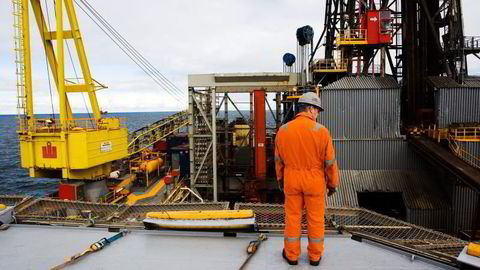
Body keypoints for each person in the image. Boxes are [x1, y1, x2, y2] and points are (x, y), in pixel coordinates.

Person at [275, 92, 339, 266]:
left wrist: (280, 179)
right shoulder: (322, 131)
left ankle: (292, 255)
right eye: (317, 110)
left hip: (292, 179)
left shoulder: (283, 130)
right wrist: (333, 184)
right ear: (310, 109)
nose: (317, 114)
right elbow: (330, 163)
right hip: (314, 181)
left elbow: (278, 160)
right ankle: (315, 257)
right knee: (316, 219)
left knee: (293, 218)